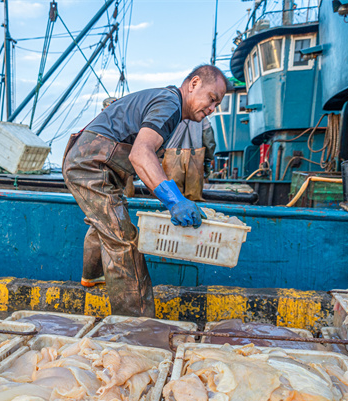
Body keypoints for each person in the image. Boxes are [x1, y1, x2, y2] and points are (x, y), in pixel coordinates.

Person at [63, 64, 226, 317]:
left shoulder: (167, 104)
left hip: (97, 163)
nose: (212, 109)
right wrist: (174, 200)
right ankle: (136, 326)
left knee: (106, 221)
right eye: (212, 99)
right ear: (193, 84)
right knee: (124, 240)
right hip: (90, 164)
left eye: (217, 105)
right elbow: (141, 154)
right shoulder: (170, 103)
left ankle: (92, 277)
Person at [162, 116, 216, 201]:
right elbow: (209, 141)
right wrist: (207, 161)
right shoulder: (202, 116)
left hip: (171, 158)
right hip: (195, 158)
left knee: (172, 197)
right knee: (194, 198)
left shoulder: (172, 112)